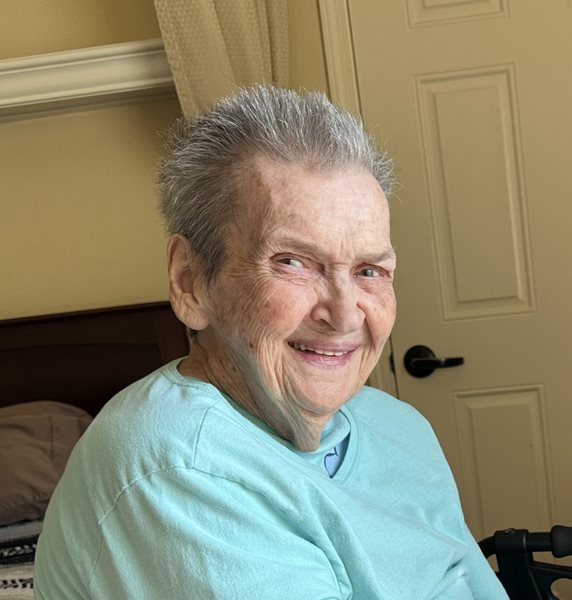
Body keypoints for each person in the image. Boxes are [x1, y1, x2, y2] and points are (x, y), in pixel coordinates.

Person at [34, 85, 508, 599]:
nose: (344, 313)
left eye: (369, 270)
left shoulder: (397, 426)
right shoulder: (180, 464)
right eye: (293, 262)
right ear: (190, 281)